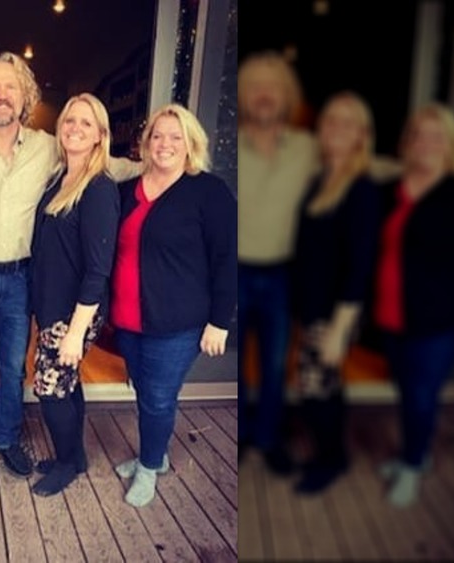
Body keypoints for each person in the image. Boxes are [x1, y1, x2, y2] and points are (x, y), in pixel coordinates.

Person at [0, 52, 140, 476]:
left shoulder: (47, 147)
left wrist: (164, 168)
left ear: (25, 98)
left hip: (21, 278)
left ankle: (5, 435)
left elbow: (105, 164)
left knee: (12, 365)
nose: (3, 95)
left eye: (11, 87)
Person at [111, 104, 237, 507]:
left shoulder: (208, 191)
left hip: (178, 323)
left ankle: (149, 467)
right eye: (158, 136)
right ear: (146, 143)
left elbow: (228, 259)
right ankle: (156, 452)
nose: (165, 144)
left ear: (190, 144)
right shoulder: (125, 191)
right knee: (145, 391)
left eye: (175, 137)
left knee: (159, 397)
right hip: (128, 318)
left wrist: (220, 321)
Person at [372, 103, 454, 508]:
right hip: (392, 316)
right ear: (407, 142)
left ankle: (411, 464)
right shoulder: (393, 188)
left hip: (438, 321)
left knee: (421, 396)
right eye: (418, 134)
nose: (426, 142)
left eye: (436, 135)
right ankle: (418, 455)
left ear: (452, 144)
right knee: (408, 392)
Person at [289, 92, 380, 494]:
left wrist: (342, 329)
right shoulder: (321, 179)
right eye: (331, 121)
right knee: (319, 384)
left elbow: (360, 265)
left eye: (348, 123)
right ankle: (326, 451)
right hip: (312, 307)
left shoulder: (361, 189)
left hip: (335, 312)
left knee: (317, 388)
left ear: (362, 134)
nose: (337, 129)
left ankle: (332, 458)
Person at [28, 93, 119, 496]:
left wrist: (75, 333)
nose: (75, 129)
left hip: (75, 311)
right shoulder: (58, 178)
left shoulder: (98, 188)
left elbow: (99, 268)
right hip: (53, 307)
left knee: (49, 389)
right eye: (69, 121)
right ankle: (76, 456)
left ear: (100, 135)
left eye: (86, 123)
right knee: (68, 383)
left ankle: (66, 464)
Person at [237, 51, 318, 474]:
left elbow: (356, 169)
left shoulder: (307, 149)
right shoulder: (229, 147)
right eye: (255, 86)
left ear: (287, 95)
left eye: (274, 87)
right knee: (234, 360)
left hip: (281, 274)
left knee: (273, 364)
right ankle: (237, 434)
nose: (264, 95)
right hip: (235, 272)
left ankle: (267, 438)